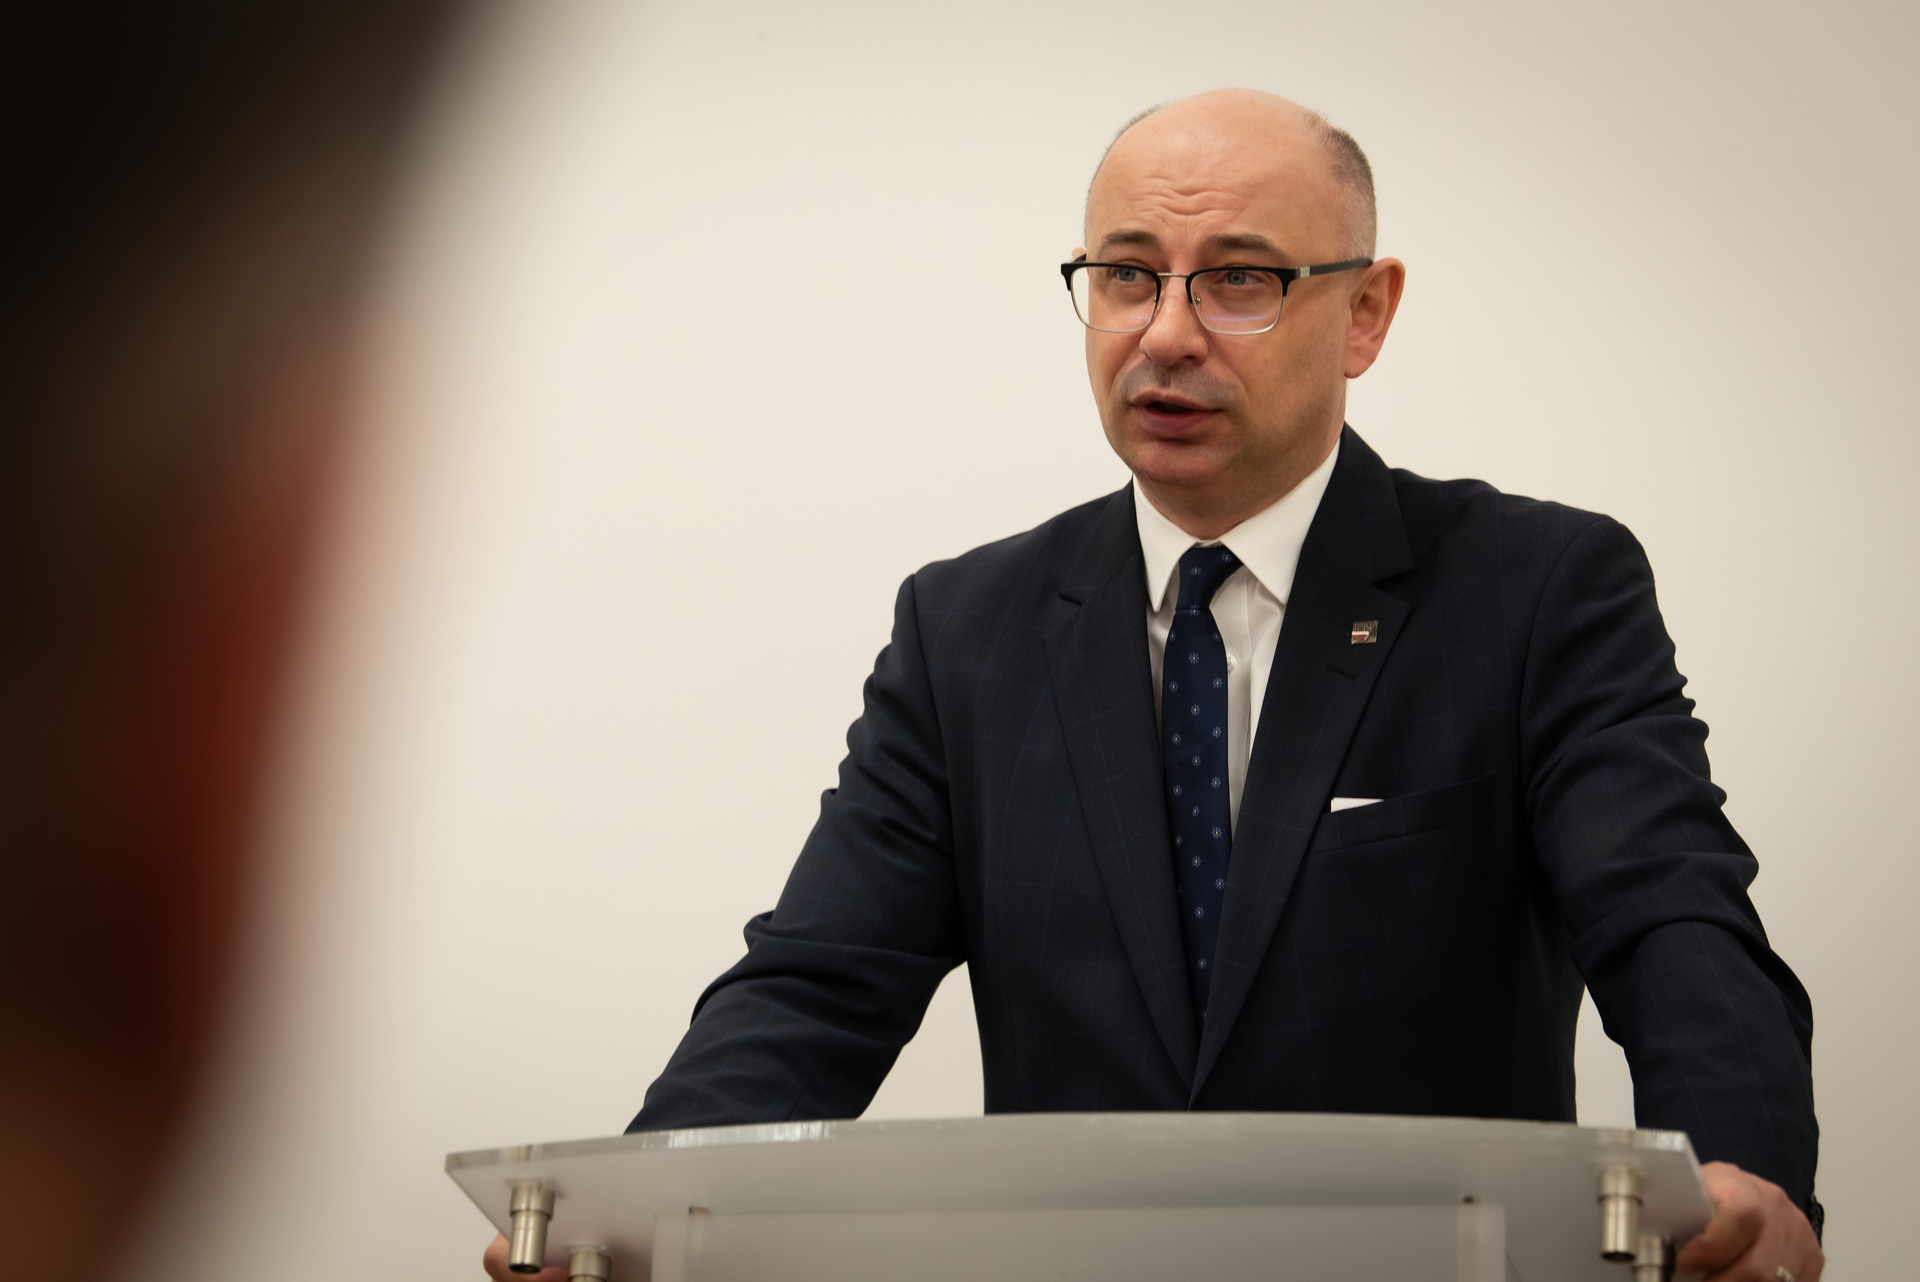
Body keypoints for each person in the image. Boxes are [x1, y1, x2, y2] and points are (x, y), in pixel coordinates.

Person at [485, 89, 1823, 1282]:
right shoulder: (967, 627)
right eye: (1127, 275)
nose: (1166, 334)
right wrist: (629, 1214)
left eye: (1239, 280)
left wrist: (1745, 1175)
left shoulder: (1536, 590)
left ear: (1365, 312)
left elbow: (1672, 918)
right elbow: (817, 984)